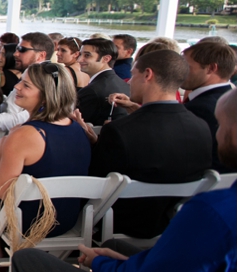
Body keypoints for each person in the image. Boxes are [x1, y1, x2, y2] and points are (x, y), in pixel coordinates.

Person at [0, 88, 237, 272]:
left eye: (221, 125)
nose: (217, 133)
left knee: (28, 263)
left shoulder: (216, 212)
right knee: (115, 243)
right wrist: (123, 261)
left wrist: (101, 264)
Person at [80, 50, 212, 239]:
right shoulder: (201, 126)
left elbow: (96, 185)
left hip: (118, 224)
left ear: (148, 75)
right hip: (173, 223)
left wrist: (93, 145)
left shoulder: (121, 130)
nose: (130, 82)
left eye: (133, 75)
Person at [0, 61, 90, 260]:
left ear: (46, 94)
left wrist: (2, 146)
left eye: (26, 85)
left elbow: (2, 192)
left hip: (31, 222)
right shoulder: (75, 127)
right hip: (67, 219)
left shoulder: (26, 134)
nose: (16, 87)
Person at [181, 40, 237, 172]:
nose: (180, 72)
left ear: (211, 68)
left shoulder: (199, 109)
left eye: (186, 67)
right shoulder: (230, 98)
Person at [76, 37, 130, 125]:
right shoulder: (123, 84)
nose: (79, 60)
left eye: (87, 55)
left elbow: (78, 124)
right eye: (80, 55)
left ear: (106, 59)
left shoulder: (92, 90)